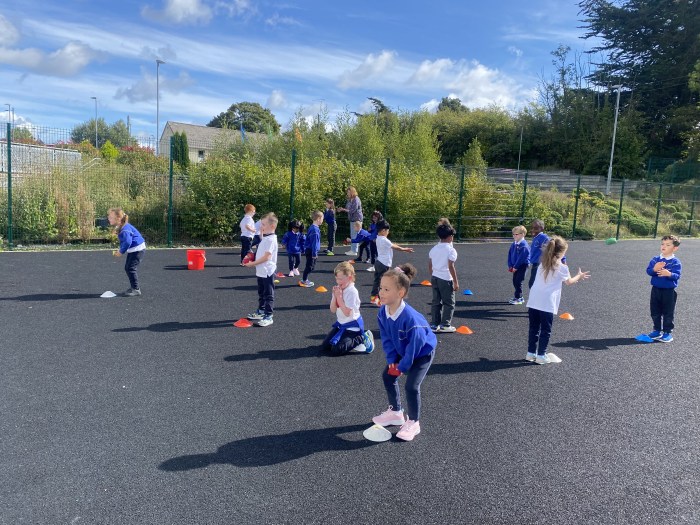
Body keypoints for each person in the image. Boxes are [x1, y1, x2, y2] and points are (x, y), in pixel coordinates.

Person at [371, 264, 437, 442]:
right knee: (387, 376)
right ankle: (395, 412)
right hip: (403, 348)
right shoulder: (383, 312)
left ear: (400, 293)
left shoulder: (411, 320)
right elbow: (386, 338)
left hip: (422, 353)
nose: (381, 292)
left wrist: (402, 366)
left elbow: (415, 347)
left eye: (386, 289)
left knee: (411, 386)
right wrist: (392, 360)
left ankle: (414, 422)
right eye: (381, 288)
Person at [526, 235, 589, 364]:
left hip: (534, 299)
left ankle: (530, 353)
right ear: (561, 253)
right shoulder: (561, 267)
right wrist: (579, 276)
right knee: (545, 330)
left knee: (534, 328)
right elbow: (569, 282)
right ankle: (541, 355)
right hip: (547, 302)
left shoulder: (542, 264)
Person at [321, 261, 375, 355]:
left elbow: (347, 313)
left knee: (336, 350)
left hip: (353, 328)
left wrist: (339, 298)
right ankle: (349, 341)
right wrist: (335, 297)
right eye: (336, 279)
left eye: (340, 279)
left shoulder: (352, 292)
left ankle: (361, 337)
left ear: (349, 278)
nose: (338, 282)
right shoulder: (338, 289)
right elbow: (333, 310)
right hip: (341, 325)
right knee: (325, 347)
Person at [645, 235, 682, 343]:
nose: (664, 246)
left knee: (668, 312)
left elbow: (677, 276)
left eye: (668, 245)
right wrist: (654, 269)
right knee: (655, 311)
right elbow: (649, 271)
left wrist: (669, 274)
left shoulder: (675, 262)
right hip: (656, 290)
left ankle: (667, 333)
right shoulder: (655, 259)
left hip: (668, 291)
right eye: (662, 244)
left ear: (675, 248)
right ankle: (656, 330)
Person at [244, 213, 279, 327]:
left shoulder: (271, 240)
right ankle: (261, 311)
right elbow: (261, 251)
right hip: (261, 271)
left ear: (272, 226)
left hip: (267, 271)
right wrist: (252, 257)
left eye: (263, 224)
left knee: (268, 294)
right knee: (261, 293)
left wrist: (252, 264)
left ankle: (268, 316)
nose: (261, 226)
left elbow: (267, 257)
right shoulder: (266, 238)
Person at [369, 219, 414, 306]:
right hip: (384, 264)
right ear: (383, 231)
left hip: (378, 262)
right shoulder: (384, 240)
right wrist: (405, 249)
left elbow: (391, 244)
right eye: (387, 231)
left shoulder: (378, 238)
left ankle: (373, 297)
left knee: (377, 280)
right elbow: (395, 247)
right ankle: (380, 298)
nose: (388, 232)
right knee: (384, 282)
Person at [428, 218, 459, 333]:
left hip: (435, 277)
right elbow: (451, 266)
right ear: (450, 237)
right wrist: (455, 282)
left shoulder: (434, 249)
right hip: (446, 279)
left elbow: (430, 264)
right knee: (449, 303)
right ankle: (445, 324)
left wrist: (433, 275)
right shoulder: (451, 250)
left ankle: (434, 324)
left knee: (436, 302)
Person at [108, 208, 146, 297]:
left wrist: (121, 252)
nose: (108, 218)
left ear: (118, 218)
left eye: (111, 217)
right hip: (135, 249)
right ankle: (134, 287)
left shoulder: (125, 229)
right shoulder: (121, 226)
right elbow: (125, 240)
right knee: (128, 268)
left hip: (138, 249)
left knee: (130, 268)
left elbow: (128, 242)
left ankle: (136, 289)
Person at [507, 225, 531, 305]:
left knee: (518, 281)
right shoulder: (514, 244)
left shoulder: (524, 246)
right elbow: (510, 254)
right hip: (515, 266)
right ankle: (518, 296)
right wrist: (510, 265)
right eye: (513, 234)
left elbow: (522, 258)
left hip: (523, 266)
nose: (514, 236)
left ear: (522, 234)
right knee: (514, 281)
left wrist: (515, 267)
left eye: (516, 234)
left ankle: (519, 297)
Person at [337, 186, 363, 256]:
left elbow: (353, 210)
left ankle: (354, 251)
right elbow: (347, 208)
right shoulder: (349, 199)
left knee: (355, 235)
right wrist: (341, 209)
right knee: (353, 235)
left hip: (357, 219)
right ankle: (353, 250)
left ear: (352, 192)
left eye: (348, 192)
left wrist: (343, 209)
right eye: (347, 192)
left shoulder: (356, 199)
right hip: (352, 219)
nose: (347, 193)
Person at [299, 211, 323, 288]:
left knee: (311, 266)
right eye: (322, 219)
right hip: (311, 250)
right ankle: (304, 280)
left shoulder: (313, 227)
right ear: (318, 219)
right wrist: (314, 254)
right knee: (310, 266)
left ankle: (304, 279)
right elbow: (314, 243)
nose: (322, 220)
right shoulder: (315, 230)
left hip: (310, 250)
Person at [528, 219, 549, 289]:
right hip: (535, 263)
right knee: (533, 283)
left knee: (533, 283)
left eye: (536, 228)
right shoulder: (536, 237)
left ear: (542, 228)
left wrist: (563, 259)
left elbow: (552, 247)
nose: (533, 230)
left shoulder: (543, 237)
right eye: (532, 228)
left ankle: (535, 295)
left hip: (539, 264)